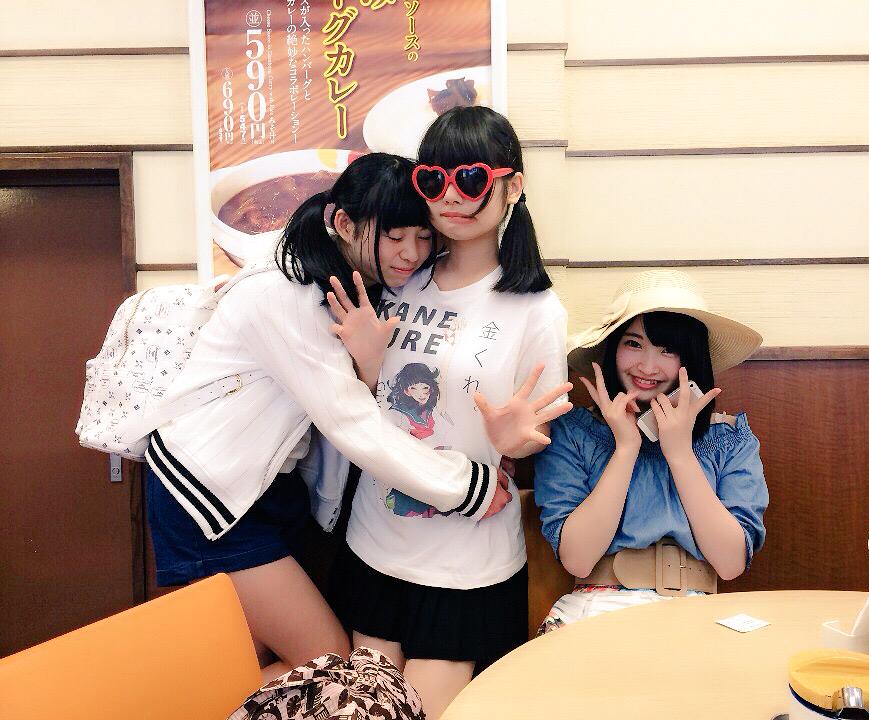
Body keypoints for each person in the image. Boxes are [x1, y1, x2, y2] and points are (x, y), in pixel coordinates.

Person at [142, 153, 531, 683]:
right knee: (329, 669)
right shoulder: (284, 295)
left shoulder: (345, 285)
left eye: (424, 237)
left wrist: (369, 366)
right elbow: (350, 423)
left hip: (265, 492)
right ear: (343, 223)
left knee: (248, 665)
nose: (412, 253)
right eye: (395, 236)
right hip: (208, 493)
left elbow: (347, 405)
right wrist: (469, 487)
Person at [328, 106, 572, 719]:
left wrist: (515, 440)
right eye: (433, 180)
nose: (451, 198)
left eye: (471, 179)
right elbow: (370, 404)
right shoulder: (401, 278)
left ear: (512, 186)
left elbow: (533, 435)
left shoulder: (536, 309)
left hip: (466, 563)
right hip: (375, 540)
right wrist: (366, 366)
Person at [534, 269, 769, 633]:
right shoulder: (574, 432)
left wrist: (680, 454)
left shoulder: (729, 438)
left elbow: (730, 563)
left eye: (667, 350)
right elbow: (578, 560)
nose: (647, 366)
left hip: (696, 615)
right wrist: (626, 449)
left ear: (691, 358)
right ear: (613, 347)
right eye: (634, 343)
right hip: (594, 608)